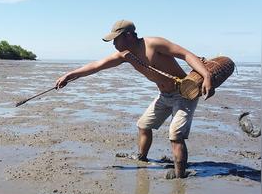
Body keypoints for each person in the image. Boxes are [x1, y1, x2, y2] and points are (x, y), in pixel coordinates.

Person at [56, 20, 213, 179]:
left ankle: (180, 176)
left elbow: (186, 54)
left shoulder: (154, 43)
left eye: (116, 39)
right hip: (164, 96)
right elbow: (97, 65)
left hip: (184, 94)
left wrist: (206, 76)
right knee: (143, 125)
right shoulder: (125, 55)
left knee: (175, 135)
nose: (114, 44)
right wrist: (69, 75)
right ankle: (142, 157)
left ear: (129, 35)